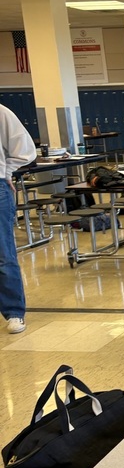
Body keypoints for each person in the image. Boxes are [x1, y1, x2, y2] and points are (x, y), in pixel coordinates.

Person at [0, 104, 36, 334]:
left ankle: (14, 312)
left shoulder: (1, 112)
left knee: (3, 254)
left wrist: (5, 171)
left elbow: (25, 150)